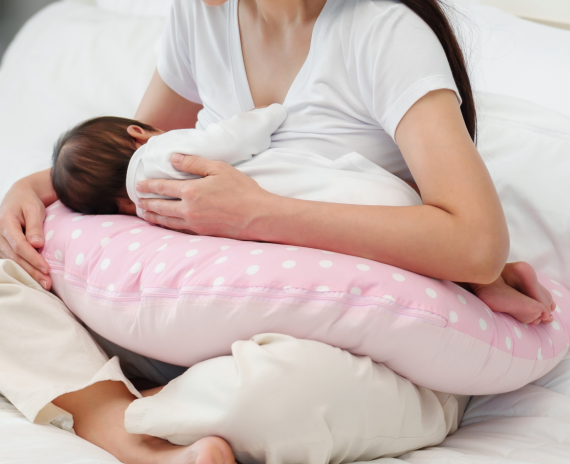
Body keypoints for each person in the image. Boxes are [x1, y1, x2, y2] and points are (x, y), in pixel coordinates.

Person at [0, 0, 554, 464]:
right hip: (202, 319)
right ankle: (150, 437)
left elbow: (475, 243)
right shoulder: (201, 11)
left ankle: (133, 403)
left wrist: (260, 215)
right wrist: (35, 188)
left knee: (268, 397)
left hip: (348, 350)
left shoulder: (381, 35)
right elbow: (139, 151)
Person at [50, 111, 555, 325]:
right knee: (417, 247)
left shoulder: (147, 208)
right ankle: (496, 280)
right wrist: (270, 114)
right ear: (140, 133)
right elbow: (231, 137)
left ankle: (489, 282)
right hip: (365, 199)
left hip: (352, 218)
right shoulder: (163, 153)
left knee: (424, 260)